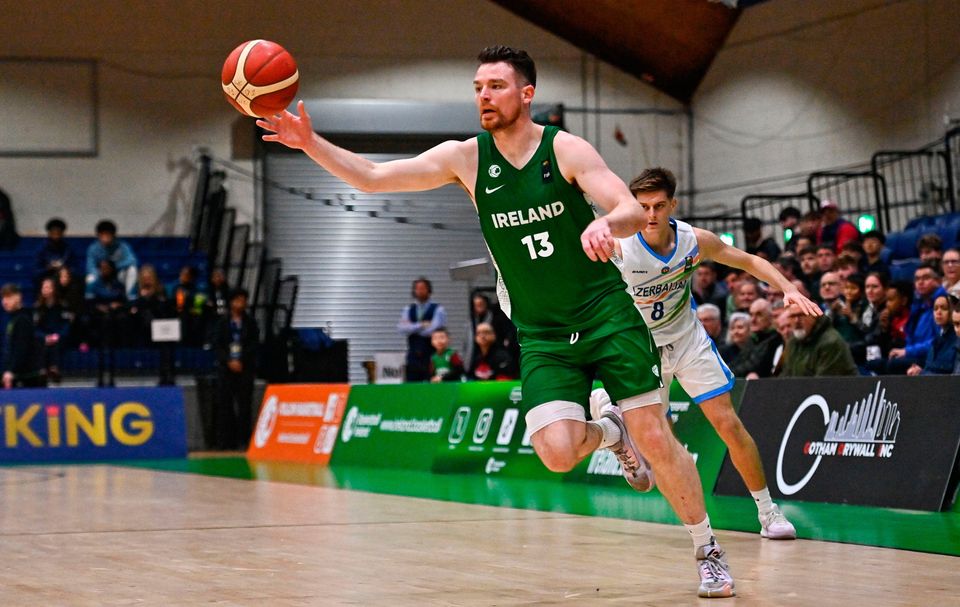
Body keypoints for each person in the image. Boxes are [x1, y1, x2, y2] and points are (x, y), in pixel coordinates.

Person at [258, 45, 736, 596]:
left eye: (496, 86)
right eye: (478, 87)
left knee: (657, 435)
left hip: (607, 316)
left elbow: (626, 205)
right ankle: (610, 432)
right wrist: (308, 142)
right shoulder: (466, 158)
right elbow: (371, 177)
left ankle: (707, 550)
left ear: (526, 94)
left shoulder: (565, 149)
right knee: (557, 453)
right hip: (544, 334)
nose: (484, 96)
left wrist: (610, 224)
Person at [599, 167, 819, 540]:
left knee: (729, 425)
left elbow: (748, 260)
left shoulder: (693, 240)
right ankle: (630, 443)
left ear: (673, 204)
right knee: (661, 441)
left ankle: (768, 512)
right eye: (643, 207)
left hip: (687, 338)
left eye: (658, 206)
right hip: (642, 348)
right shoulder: (619, 245)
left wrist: (788, 288)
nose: (650, 215)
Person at [212, 288, 259, 450]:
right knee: (225, 406)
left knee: (245, 405)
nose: (241, 303)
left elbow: (254, 345)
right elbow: (218, 345)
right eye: (237, 300)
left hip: (245, 368)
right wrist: (229, 361)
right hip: (226, 370)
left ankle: (244, 440)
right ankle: (226, 441)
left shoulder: (251, 322)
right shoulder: (222, 322)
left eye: (243, 300)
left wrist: (241, 360)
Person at [885, 262, 948, 374]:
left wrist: (908, 351)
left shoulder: (941, 305)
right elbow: (910, 336)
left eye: (926, 278)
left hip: (931, 357)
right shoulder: (918, 304)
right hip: (917, 353)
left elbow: (939, 341)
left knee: (892, 364)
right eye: (917, 279)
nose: (920, 282)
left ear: (938, 281)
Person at [397, 277, 447, 382]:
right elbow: (401, 328)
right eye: (417, 288)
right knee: (412, 384)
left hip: (431, 354)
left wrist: (412, 327)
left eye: (423, 288)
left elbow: (434, 329)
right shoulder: (408, 309)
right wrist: (421, 325)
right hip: (413, 355)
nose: (420, 291)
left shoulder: (438, 309)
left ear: (429, 290)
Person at [781, 309, 858, 377]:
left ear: (814, 315)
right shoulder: (793, 342)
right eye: (793, 316)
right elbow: (786, 376)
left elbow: (823, 383)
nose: (796, 320)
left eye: (802, 315)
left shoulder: (830, 342)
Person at [1, 284, 45, 388]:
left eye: (8, 297)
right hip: (19, 374)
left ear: (18, 297)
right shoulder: (14, 319)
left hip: (27, 377)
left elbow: (21, 348)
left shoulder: (23, 319)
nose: (4, 301)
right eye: (3, 298)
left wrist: (11, 371)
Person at [86, 220, 138, 299]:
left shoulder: (122, 246)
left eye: (108, 234)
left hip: (117, 274)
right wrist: (100, 272)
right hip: (101, 274)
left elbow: (132, 260)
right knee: (90, 278)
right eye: (103, 235)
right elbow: (90, 266)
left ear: (113, 235)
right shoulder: (93, 248)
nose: (105, 237)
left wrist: (114, 267)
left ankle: (131, 298)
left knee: (132, 270)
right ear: (98, 235)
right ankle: (89, 300)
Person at [906, 294, 956, 376]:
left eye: (944, 308)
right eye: (935, 309)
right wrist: (920, 371)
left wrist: (922, 373)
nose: (938, 312)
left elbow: (952, 378)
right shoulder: (936, 340)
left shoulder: (956, 340)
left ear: (952, 311)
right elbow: (930, 370)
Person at [33, 277, 70, 384]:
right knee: (40, 342)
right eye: (44, 287)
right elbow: (35, 327)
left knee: (56, 343)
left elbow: (66, 324)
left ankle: (55, 370)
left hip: (58, 335)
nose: (45, 290)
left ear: (54, 289)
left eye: (48, 287)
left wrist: (58, 335)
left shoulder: (62, 305)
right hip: (44, 336)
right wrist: (44, 337)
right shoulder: (38, 307)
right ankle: (42, 372)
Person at [35, 217, 75, 286]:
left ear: (62, 234)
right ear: (49, 233)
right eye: (54, 233)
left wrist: (65, 269)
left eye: (58, 233)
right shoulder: (41, 249)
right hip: (46, 280)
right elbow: (35, 272)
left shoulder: (68, 249)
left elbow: (75, 268)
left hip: (64, 282)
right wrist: (48, 268)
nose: (56, 236)